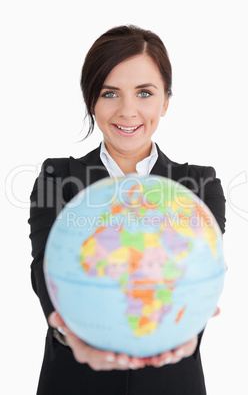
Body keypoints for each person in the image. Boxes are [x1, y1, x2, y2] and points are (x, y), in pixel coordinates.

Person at [28, 24, 226, 395]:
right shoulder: (58, 176)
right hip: (75, 383)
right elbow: (46, 274)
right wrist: (72, 337)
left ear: (165, 101)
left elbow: (198, 274)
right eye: (110, 93)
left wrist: (188, 329)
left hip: (171, 383)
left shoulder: (198, 185)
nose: (127, 110)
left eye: (144, 93)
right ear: (92, 100)